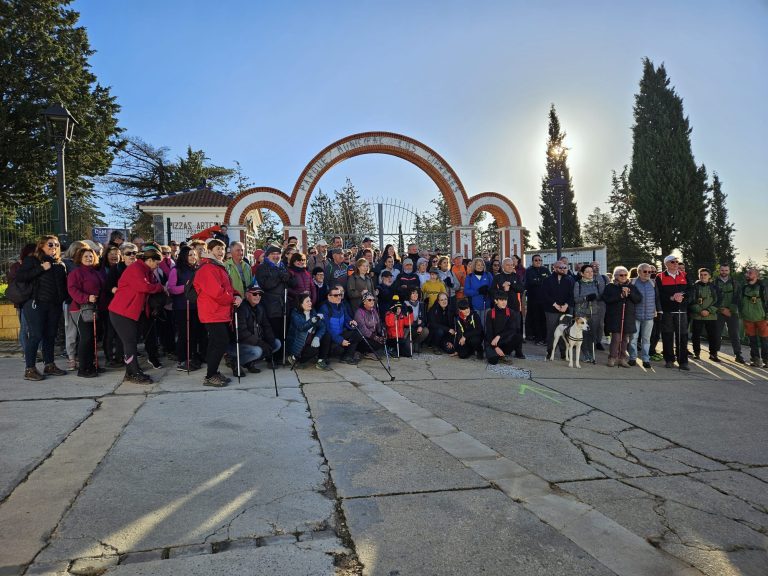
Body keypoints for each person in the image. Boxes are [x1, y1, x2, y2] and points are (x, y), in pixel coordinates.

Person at [108, 244, 165, 383]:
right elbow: (144, 286)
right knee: (130, 342)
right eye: (156, 263)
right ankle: (133, 372)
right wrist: (160, 288)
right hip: (122, 311)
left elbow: (150, 285)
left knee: (131, 342)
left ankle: (131, 371)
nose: (157, 266)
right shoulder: (136, 268)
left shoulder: (146, 270)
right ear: (150, 260)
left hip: (131, 311)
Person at [17, 236, 69, 381]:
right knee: (36, 335)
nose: (54, 247)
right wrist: (40, 268)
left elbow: (62, 285)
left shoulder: (59, 264)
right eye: (50, 244)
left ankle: (49, 365)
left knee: (50, 335)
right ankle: (30, 369)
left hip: (54, 305)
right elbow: (20, 277)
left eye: (56, 245)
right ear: (41, 246)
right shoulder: (32, 260)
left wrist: (63, 298)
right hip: (36, 303)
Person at [193, 238, 241, 386]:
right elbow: (216, 292)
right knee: (220, 342)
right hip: (212, 312)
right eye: (217, 249)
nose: (221, 252)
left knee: (216, 343)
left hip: (219, 311)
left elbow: (227, 287)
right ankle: (210, 376)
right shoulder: (208, 268)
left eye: (222, 249)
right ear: (210, 251)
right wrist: (232, 299)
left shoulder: (218, 266)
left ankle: (212, 372)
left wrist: (237, 294)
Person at [66, 246, 106, 378]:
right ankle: (83, 368)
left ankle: (91, 365)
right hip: (80, 309)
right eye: (86, 257)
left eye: (91, 256)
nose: (89, 258)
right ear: (79, 259)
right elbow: (72, 290)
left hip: (93, 308)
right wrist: (86, 297)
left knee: (92, 338)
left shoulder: (95, 272)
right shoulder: (76, 273)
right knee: (86, 337)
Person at [167, 246, 205, 371]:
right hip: (182, 307)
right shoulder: (176, 270)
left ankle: (194, 356)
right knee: (184, 334)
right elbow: (171, 288)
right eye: (190, 255)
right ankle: (182, 358)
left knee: (195, 333)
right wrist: (186, 287)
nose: (193, 257)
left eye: (194, 254)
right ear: (184, 256)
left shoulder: (198, 269)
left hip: (196, 306)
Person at [233, 285, 283, 374]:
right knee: (257, 351)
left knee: (276, 344)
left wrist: (270, 341)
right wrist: (260, 343)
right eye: (255, 294)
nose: (258, 296)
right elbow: (242, 333)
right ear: (247, 295)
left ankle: (249, 362)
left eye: (260, 294)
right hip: (240, 343)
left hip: (255, 341)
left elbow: (266, 326)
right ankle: (235, 362)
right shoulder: (241, 309)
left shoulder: (260, 307)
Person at [255, 245, 293, 359]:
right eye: (273, 254)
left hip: (284, 304)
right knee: (273, 331)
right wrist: (278, 277)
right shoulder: (262, 267)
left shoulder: (283, 266)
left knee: (284, 331)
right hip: (271, 304)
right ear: (268, 255)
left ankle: (282, 355)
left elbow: (292, 283)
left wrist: (289, 278)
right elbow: (264, 285)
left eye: (278, 254)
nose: (276, 256)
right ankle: (273, 357)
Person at [603, 266, 642, 367]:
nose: (624, 276)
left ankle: (622, 358)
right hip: (615, 317)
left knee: (625, 339)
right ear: (615, 276)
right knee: (616, 338)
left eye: (625, 275)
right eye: (621, 275)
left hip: (628, 316)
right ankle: (612, 357)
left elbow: (638, 299)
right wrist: (620, 296)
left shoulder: (632, 286)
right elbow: (607, 299)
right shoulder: (610, 286)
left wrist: (629, 293)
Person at [658, 255, 691, 370]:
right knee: (667, 335)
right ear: (666, 264)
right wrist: (671, 297)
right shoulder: (660, 277)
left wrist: (682, 296)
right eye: (673, 262)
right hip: (667, 311)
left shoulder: (685, 275)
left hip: (682, 311)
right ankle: (669, 360)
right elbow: (659, 294)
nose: (676, 263)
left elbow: (690, 290)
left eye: (677, 261)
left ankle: (683, 361)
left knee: (682, 336)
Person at [287, 292, 331, 370]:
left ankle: (320, 361)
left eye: (310, 301)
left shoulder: (312, 312)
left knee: (326, 336)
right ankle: (293, 358)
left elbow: (322, 326)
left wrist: (317, 337)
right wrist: (313, 320)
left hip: (309, 340)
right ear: (301, 304)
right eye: (307, 301)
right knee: (314, 351)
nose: (310, 303)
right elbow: (301, 327)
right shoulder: (295, 314)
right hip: (298, 346)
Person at [628, 263, 661, 369]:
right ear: (639, 272)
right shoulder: (632, 282)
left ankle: (646, 359)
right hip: (635, 315)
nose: (648, 274)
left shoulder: (653, 283)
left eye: (650, 272)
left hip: (649, 315)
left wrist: (659, 311)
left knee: (646, 339)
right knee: (633, 338)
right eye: (645, 271)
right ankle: (632, 358)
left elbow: (657, 298)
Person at [319, 286, 362, 364]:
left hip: (340, 334)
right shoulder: (324, 308)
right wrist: (340, 340)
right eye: (336, 295)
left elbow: (346, 318)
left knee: (357, 333)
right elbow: (327, 329)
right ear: (329, 296)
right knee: (338, 349)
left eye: (340, 295)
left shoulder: (342, 305)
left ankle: (347, 356)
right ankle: (325, 357)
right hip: (330, 339)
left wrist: (351, 322)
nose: (339, 297)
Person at [542, 261, 574, 360]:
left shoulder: (569, 280)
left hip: (565, 310)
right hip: (551, 310)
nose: (563, 269)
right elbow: (545, 294)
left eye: (565, 267)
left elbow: (572, 295)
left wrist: (566, 305)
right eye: (560, 267)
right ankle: (550, 352)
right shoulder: (547, 280)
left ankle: (564, 353)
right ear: (554, 268)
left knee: (565, 332)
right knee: (552, 331)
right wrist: (555, 304)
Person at [689, 268, 722, 362]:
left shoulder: (715, 288)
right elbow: (690, 301)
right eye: (701, 274)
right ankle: (697, 353)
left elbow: (719, 301)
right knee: (696, 336)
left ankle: (713, 354)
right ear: (698, 276)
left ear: (709, 276)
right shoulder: (694, 287)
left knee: (713, 336)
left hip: (711, 316)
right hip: (697, 316)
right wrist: (700, 310)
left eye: (705, 274)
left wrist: (709, 310)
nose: (703, 276)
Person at [714, 264, 745, 364]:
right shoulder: (714, 283)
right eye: (722, 270)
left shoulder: (735, 283)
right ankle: (714, 353)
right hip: (718, 312)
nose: (724, 272)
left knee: (734, 334)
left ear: (729, 271)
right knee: (717, 333)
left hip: (732, 312)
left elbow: (738, 297)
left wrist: (731, 310)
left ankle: (738, 354)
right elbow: (713, 298)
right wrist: (722, 309)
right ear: (719, 271)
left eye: (726, 270)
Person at [573, 264, 602, 363]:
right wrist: (586, 298)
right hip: (581, 312)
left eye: (591, 271)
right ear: (582, 273)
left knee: (592, 334)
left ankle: (591, 353)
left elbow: (600, 296)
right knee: (583, 334)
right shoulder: (578, 284)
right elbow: (576, 299)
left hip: (594, 312)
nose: (590, 273)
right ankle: (585, 354)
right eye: (587, 272)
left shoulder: (596, 283)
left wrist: (596, 297)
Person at [739, 267, 767, 368]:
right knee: (752, 341)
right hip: (748, 319)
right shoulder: (744, 288)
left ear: (757, 275)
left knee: (765, 341)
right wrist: (742, 314)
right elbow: (740, 302)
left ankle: (766, 361)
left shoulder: (763, 287)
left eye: (750, 273)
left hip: (762, 318)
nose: (748, 274)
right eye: (747, 273)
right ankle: (755, 360)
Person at [484, 293, 521, 365]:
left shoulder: (511, 312)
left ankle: (505, 353)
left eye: (505, 300)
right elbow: (489, 332)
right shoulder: (490, 313)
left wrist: (499, 336)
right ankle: (498, 354)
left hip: (503, 339)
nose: (504, 302)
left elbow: (512, 329)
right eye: (501, 300)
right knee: (493, 361)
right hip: (492, 341)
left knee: (518, 336)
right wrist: (495, 347)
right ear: (496, 301)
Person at [525, 255, 550, 345]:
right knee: (536, 319)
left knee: (544, 319)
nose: (538, 261)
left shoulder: (545, 270)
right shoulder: (529, 271)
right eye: (536, 260)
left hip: (544, 300)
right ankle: (538, 338)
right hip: (533, 300)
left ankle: (544, 338)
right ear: (532, 261)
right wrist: (541, 280)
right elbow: (531, 282)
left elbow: (549, 281)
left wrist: (538, 280)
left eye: (540, 260)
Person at [354, 290, 386, 360]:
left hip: (373, 334)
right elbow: (363, 329)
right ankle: (361, 352)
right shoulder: (359, 312)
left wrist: (382, 332)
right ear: (364, 301)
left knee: (384, 340)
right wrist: (375, 337)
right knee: (374, 343)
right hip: (364, 337)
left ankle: (368, 352)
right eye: (369, 300)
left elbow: (378, 323)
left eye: (373, 300)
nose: (372, 301)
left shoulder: (373, 310)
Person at [463, 257, 493, 322]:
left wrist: (488, 291)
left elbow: (493, 288)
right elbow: (466, 291)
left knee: (486, 324)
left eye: (482, 265)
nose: (480, 266)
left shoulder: (488, 275)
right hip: (475, 305)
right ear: (474, 266)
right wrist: (478, 291)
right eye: (478, 265)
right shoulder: (470, 277)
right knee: (478, 324)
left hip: (486, 304)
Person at [404, 287, 429, 353]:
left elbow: (424, 319)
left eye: (416, 293)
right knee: (409, 351)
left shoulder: (421, 304)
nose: (415, 295)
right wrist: (416, 323)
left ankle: (416, 342)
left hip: (417, 328)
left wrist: (421, 326)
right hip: (409, 329)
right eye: (413, 293)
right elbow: (404, 321)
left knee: (426, 331)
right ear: (409, 294)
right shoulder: (405, 304)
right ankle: (410, 342)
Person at [590, 261, 609, 350]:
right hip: (590, 303)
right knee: (591, 323)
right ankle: (591, 341)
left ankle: (598, 341)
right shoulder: (586, 278)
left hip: (602, 303)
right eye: (594, 266)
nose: (596, 267)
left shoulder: (604, 278)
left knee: (601, 324)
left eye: (597, 265)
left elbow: (609, 290)